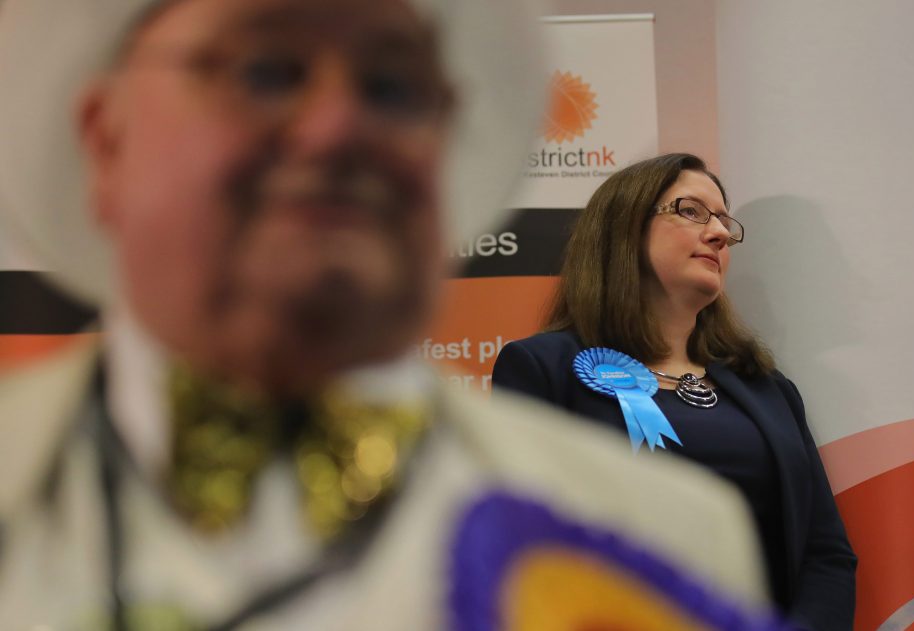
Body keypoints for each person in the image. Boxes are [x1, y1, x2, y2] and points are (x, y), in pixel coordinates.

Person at [0, 2, 787, 629]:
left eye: (395, 86)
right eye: (265, 69)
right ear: (106, 139)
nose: (340, 127)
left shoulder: (669, 544)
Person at [492, 153, 858, 631]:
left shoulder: (769, 389)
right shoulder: (541, 369)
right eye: (691, 212)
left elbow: (825, 553)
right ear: (624, 228)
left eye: (725, 221)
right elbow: (522, 548)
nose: (721, 233)